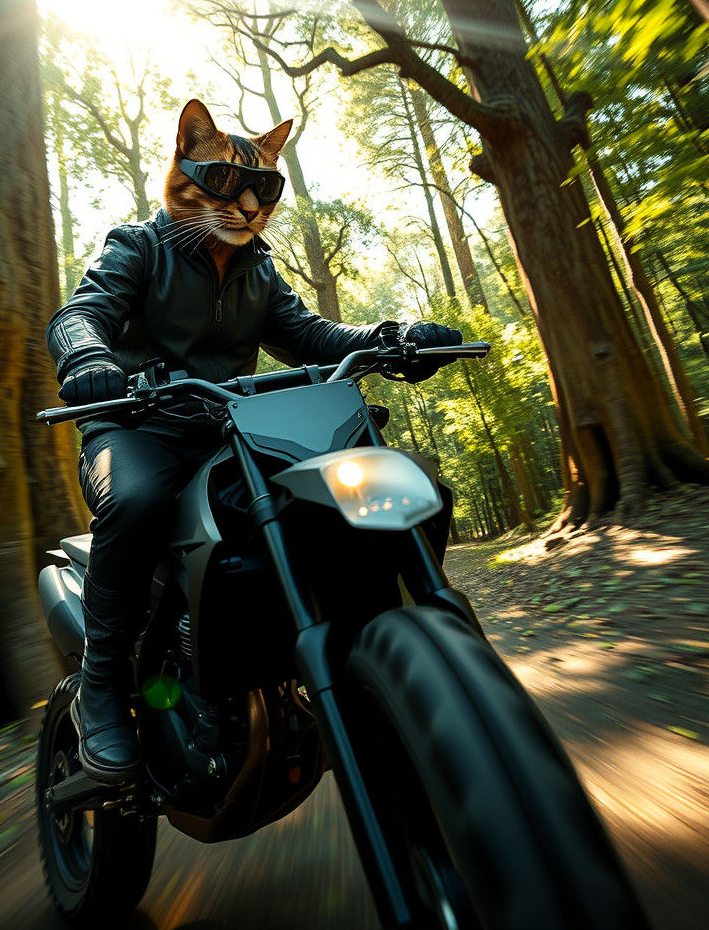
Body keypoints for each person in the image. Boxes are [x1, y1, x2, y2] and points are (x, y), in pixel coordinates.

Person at [46, 99, 462, 784]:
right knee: (139, 499)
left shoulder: (259, 270)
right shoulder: (140, 245)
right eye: (223, 184)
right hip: (132, 430)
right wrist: (87, 359)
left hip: (224, 431)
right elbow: (81, 312)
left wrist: (394, 337)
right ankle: (103, 690)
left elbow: (315, 337)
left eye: (261, 189)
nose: (244, 205)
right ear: (184, 162)